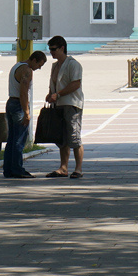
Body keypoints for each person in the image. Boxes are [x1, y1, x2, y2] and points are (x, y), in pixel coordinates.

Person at [45, 36, 84, 178]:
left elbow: (76, 84)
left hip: (72, 104)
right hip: (58, 105)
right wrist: (50, 95)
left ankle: (78, 168)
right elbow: (54, 85)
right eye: (50, 49)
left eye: (54, 49)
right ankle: (63, 167)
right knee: (62, 138)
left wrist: (58, 94)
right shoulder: (55, 66)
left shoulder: (73, 64)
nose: (51, 52)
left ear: (62, 48)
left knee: (74, 137)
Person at [3, 50, 47, 179]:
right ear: (34, 60)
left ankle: (8, 169)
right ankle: (17, 169)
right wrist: (27, 113)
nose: (38, 68)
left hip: (11, 102)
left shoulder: (16, 66)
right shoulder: (27, 70)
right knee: (19, 139)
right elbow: (23, 92)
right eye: (39, 65)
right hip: (18, 105)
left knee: (11, 139)